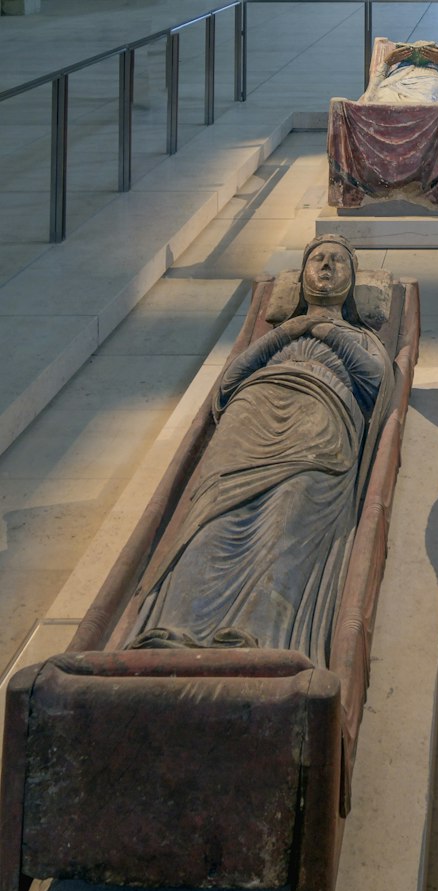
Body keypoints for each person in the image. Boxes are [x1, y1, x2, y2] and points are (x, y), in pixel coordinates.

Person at [128, 234, 395, 664]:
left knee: (290, 515)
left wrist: (325, 330)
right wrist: (286, 332)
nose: (326, 267)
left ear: (352, 281)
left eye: (337, 262)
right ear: (303, 276)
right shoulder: (280, 335)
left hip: (320, 423)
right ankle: (176, 626)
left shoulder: (361, 338)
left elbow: (377, 381)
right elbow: (229, 382)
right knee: (214, 516)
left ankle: (258, 631)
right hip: (250, 416)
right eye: (317, 260)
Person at [367, 41, 438, 104]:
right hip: (396, 83)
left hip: (429, 82)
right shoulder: (396, 69)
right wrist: (387, 63)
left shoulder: (434, 70)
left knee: (429, 96)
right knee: (384, 95)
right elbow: (369, 96)